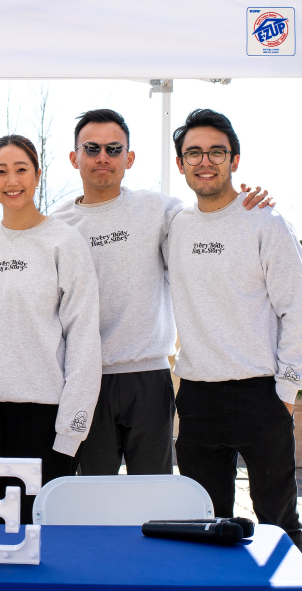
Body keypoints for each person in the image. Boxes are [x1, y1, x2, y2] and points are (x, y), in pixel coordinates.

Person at [0, 109, 272, 476]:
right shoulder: (57, 226)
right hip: (85, 382)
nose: (102, 157)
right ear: (74, 157)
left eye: (113, 148)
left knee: (151, 493)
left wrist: (245, 201)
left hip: (148, 375)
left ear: (129, 157)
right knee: (96, 499)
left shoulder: (161, 210)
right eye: (91, 148)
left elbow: (211, 216)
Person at [0, 134, 101, 524]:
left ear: (37, 177)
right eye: (2, 171)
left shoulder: (64, 243)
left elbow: (84, 341)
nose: (11, 180)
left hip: (42, 417)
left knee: (37, 536)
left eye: (21, 170)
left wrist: (71, 431)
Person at [167, 109, 302, 546]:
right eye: (194, 153)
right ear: (180, 163)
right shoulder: (174, 226)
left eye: (216, 152)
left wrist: (286, 390)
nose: (205, 161)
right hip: (198, 394)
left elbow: (297, 309)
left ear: (235, 160)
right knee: (206, 525)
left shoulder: (266, 221)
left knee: (278, 523)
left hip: (261, 393)